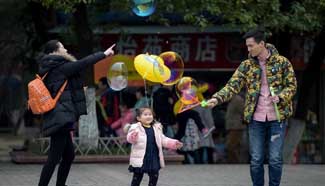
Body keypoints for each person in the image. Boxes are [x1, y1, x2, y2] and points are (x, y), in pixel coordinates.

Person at [207, 29, 297, 186]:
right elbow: (232, 86)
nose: (248, 49)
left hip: (277, 118)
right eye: (247, 46)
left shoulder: (282, 62)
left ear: (262, 44)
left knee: (275, 159)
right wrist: (216, 98)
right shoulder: (246, 66)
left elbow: (292, 85)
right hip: (256, 119)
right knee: (256, 159)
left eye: (251, 46)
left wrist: (281, 96)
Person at [37, 39, 115, 186]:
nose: (66, 50)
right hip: (60, 117)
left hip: (61, 116)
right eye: (63, 48)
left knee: (69, 155)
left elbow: (61, 89)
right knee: (54, 158)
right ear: (54, 52)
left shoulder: (51, 67)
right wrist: (103, 54)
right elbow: (83, 63)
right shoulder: (58, 66)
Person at [126, 107, 183, 186]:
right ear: (139, 118)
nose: (148, 116)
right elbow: (129, 139)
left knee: (154, 176)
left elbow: (163, 139)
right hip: (141, 157)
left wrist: (173, 143)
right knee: (137, 177)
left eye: (150, 114)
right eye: (145, 114)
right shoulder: (135, 128)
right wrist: (133, 136)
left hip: (153, 156)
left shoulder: (156, 128)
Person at [225, 92, 249, 163]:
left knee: (231, 146)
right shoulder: (231, 100)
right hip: (232, 127)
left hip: (236, 127)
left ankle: (236, 162)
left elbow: (244, 111)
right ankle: (235, 161)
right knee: (234, 146)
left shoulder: (238, 100)